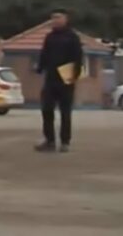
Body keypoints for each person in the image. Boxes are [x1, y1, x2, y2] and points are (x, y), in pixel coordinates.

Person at [34, 9, 84, 153]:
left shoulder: (72, 37)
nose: (55, 20)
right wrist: (40, 68)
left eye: (58, 17)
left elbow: (78, 58)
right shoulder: (49, 37)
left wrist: (74, 76)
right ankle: (49, 140)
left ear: (65, 19)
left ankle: (65, 142)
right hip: (51, 78)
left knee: (65, 112)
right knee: (47, 110)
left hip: (66, 78)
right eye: (53, 18)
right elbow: (44, 54)